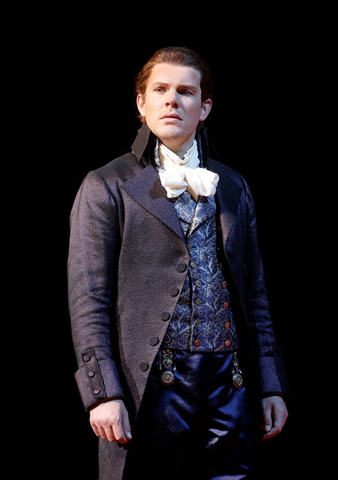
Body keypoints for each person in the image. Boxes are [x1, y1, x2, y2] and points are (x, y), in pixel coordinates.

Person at [67, 45, 290, 480]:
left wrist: (271, 384)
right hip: (148, 386)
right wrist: (101, 393)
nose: (172, 100)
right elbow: (88, 297)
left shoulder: (233, 187)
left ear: (204, 107)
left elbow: (256, 294)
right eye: (161, 89)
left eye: (186, 91)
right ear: (142, 103)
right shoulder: (106, 185)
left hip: (231, 385)